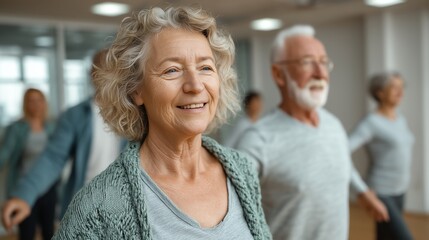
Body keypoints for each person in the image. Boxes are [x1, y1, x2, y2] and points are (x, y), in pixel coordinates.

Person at [49, 6, 271, 239]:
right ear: (136, 90)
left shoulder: (241, 171)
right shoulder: (98, 205)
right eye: (172, 70)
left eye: (205, 67)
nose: (195, 85)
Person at [236, 25, 389, 240]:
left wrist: (363, 193)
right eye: (307, 62)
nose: (320, 73)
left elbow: (343, 162)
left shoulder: (333, 125)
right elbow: (227, 209)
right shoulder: (258, 140)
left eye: (324, 62)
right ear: (279, 74)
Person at [1, 50, 126, 232]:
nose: (106, 74)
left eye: (112, 68)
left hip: (124, 204)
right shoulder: (75, 115)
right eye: (100, 69)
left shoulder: (135, 113)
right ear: (92, 74)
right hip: (85, 205)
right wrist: (23, 195)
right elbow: (53, 157)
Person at [349, 72, 414, 240]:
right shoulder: (371, 123)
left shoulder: (400, 119)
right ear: (379, 92)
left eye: (402, 87)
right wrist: (361, 188)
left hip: (400, 189)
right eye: (394, 87)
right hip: (381, 191)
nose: (400, 92)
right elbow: (342, 151)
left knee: (386, 236)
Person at [0, 88, 57, 240]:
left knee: (48, 231)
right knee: (27, 231)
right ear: (26, 104)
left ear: (44, 103)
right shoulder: (17, 128)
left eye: (39, 100)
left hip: (47, 187)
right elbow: (5, 154)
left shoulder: (52, 126)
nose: (36, 104)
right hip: (24, 187)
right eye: (31, 100)